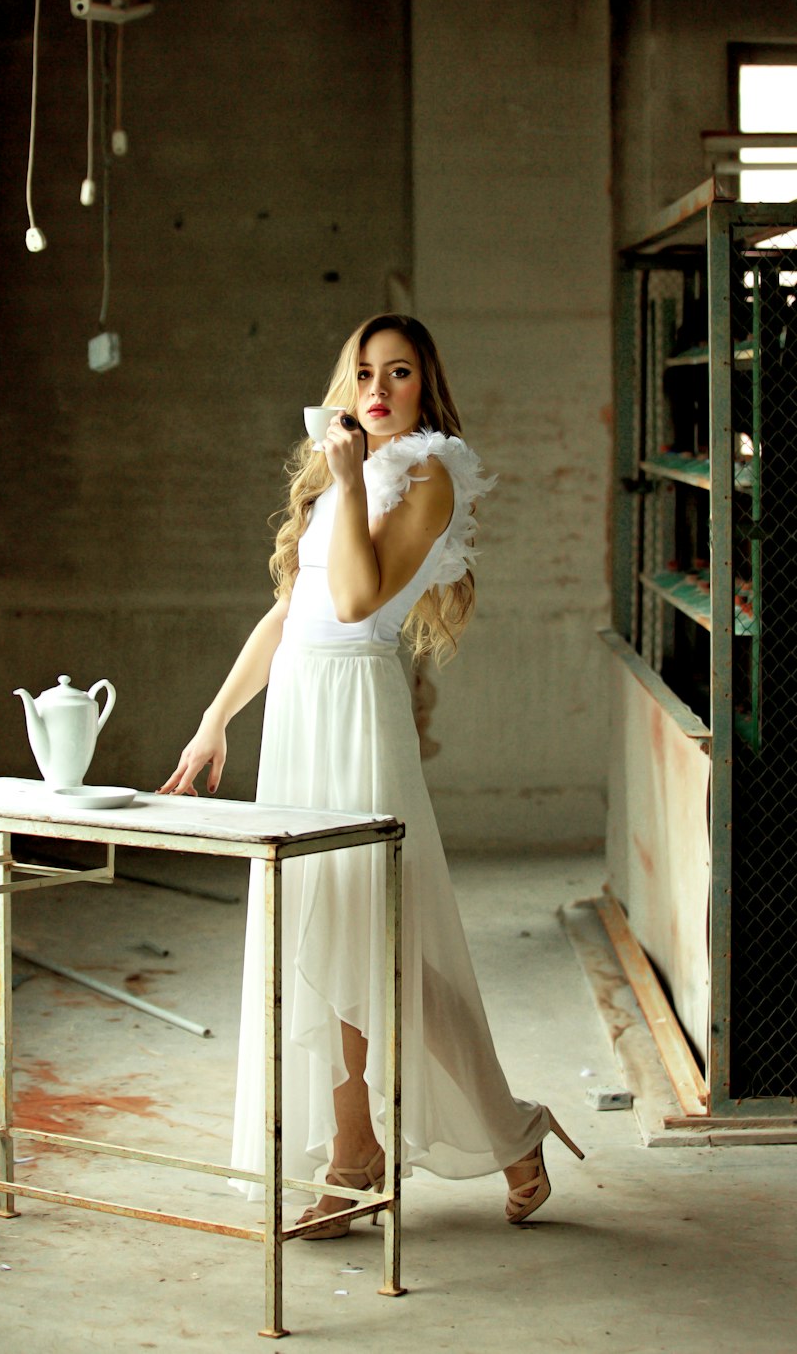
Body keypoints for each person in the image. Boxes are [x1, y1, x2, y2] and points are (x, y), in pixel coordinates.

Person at [159, 313, 582, 1236]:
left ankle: (491, 1134)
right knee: (320, 934)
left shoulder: (429, 475)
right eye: (364, 372)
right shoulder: (340, 482)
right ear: (346, 384)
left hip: (356, 711)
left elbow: (355, 601)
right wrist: (214, 721)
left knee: (385, 948)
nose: (379, 389)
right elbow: (291, 614)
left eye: (400, 373)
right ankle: (360, 1156)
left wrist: (349, 481)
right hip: (300, 712)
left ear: (427, 389)